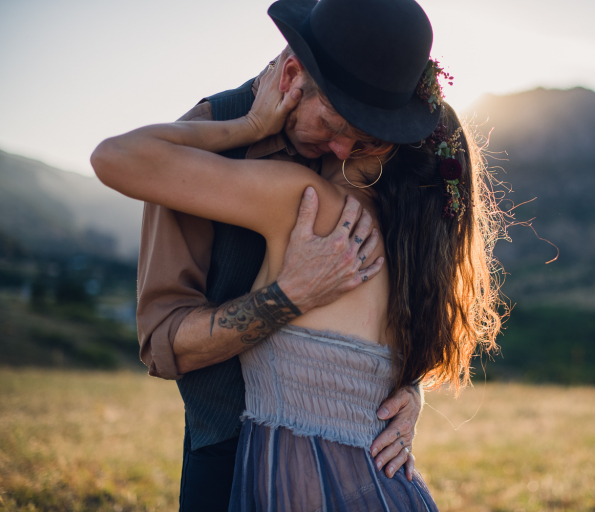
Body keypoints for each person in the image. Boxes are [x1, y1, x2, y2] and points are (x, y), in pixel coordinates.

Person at [135, 0, 435, 508]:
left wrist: (408, 388)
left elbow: (389, 301)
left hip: (347, 457)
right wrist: (287, 296)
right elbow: (165, 342)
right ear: (293, 73)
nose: (344, 150)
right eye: (336, 125)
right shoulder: (201, 141)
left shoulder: (362, 161)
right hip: (227, 448)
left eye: (364, 139)